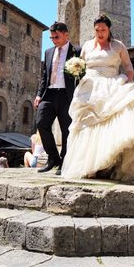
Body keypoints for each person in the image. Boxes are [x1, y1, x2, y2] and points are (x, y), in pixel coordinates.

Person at [61, 15, 134, 181]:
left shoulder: (118, 46)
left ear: (109, 30)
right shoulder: (87, 46)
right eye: (97, 30)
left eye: (103, 30)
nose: (100, 33)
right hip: (90, 87)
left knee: (126, 108)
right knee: (88, 125)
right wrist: (76, 71)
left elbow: (129, 68)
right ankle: (90, 166)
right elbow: (82, 65)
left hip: (111, 83)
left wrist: (126, 79)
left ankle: (109, 163)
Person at [35, 22, 81, 173]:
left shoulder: (77, 51)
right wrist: (38, 95)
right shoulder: (48, 52)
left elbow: (81, 76)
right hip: (49, 94)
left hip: (66, 95)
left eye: (57, 37)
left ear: (66, 35)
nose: (54, 40)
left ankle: (64, 163)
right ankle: (53, 157)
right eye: (51, 37)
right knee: (41, 123)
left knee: (66, 129)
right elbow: (44, 76)